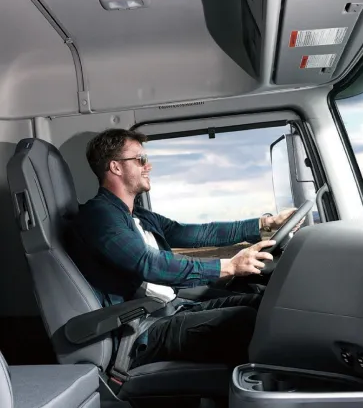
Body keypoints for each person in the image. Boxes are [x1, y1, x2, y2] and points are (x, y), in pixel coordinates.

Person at [65, 128, 296, 368]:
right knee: (246, 321)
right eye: (140, 160)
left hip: (169, 309)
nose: (148, 166)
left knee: (260, 304)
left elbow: (197, 233)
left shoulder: (139, 216)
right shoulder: (99, 215)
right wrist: (227, 266)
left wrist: (266, 223)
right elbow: (148, 262)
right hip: (140, 329)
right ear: (115, 167)